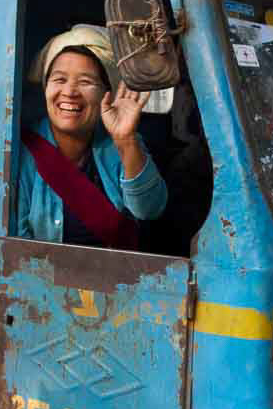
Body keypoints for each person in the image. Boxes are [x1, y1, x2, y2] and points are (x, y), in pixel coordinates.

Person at [16, 25, 167, 247]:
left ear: (106, 93)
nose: (69, 92)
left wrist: (126, 140)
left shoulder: (120, 142)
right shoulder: (21, 151)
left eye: (85, 82)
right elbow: (19, 244)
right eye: (59, 80)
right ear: (45, 88)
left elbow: (150, 210)